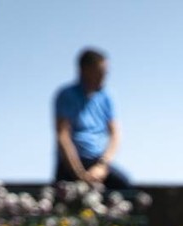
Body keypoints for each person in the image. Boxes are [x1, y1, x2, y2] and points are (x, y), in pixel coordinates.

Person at [53, 48, 131, 190]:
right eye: (100, 70)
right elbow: (63, 135)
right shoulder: (66, 95)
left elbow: (115, 134)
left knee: (125, 188)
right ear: (85, 70)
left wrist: (102, 165)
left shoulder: (106, 97)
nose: (104, 75)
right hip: (71, 164)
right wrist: (79, 173)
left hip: (98, 162)